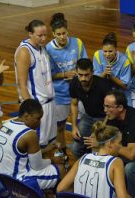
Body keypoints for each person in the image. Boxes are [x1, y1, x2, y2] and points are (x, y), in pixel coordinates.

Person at [0, 99, 63, 191]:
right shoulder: (29, 134)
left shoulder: (5, 124)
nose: (39, 123)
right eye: (38, 118)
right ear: (26, 116)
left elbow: (18, 153)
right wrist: (52, 160)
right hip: (13, 181)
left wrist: (46, 149)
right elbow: (37, 166)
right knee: (61, 168)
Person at [46, 13, 88, 157]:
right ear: (53, 34)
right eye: (58, 34)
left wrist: (78, 74)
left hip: (79, 91)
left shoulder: (77, 43)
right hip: (60, 94)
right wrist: (64, 75)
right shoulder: (48, 50)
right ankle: (61, 150)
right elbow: (48, 75)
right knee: (60, 126)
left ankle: (84, 150)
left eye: (64, 33)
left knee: (84, 123)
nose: (62, 37)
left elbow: (85, 65)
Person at [57, 121, 128, 198]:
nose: (121, 146)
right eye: (119, 142)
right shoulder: (116, 162)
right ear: (110, 143)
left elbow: (60, 189)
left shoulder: (83, 158)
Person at [14, 20, 56, 149]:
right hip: (38, 107)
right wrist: (31, 111)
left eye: (45, 35)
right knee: (36, 146)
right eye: (40, 35)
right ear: (30, 34)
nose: (44, 38)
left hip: (49, 103)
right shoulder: (24, 52)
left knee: (49, 143)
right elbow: (22, 85)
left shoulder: (42, 47)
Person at [69, 58, 112, 159]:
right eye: (80, 75)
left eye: (86, 75)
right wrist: (74, 126)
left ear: (92, 72)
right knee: (75, 149)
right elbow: (74, 104)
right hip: (88, 116)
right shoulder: (74, 83)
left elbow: (110, 111)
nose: (83, 78)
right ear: (76, 72)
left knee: (96, 149)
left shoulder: (103, 85)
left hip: (104, 118)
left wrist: (100, 130)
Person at [93, 32, 131, 97]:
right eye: (105, 51)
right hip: (103, 91)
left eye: (110, 51)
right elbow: (94, 80)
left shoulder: (125, 61)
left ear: (116, 49)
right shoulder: (97, 55)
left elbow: (125, 86)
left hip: (119, 93)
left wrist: (111, 76)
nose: (107, 54)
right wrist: (104, 73)